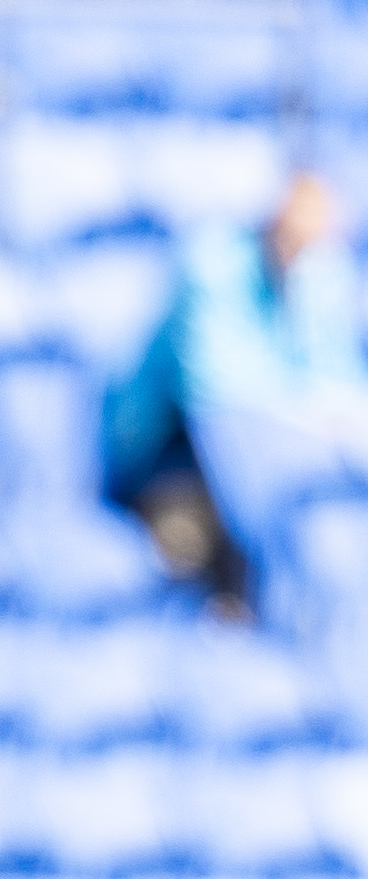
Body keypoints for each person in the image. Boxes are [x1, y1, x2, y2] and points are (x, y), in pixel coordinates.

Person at [105, 172, 368, 605]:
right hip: (169, 454)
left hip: (257, 440)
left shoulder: (321, 268)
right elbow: (220, 397)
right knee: (199, 539)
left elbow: (337, 377)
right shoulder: (213, 263)